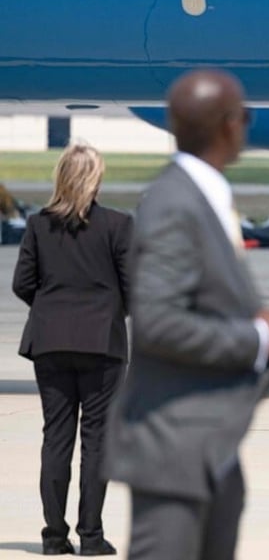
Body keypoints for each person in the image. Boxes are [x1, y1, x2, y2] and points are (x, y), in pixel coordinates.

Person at [104, 69, 269, 559]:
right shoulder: (176, 204)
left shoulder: (202, 196)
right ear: (231, 124)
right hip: (174, 445)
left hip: (208, 446)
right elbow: (157, 322)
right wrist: (258, 338)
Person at [12, 143, 131, 556]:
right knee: (96, 439)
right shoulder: (117, 224)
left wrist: (50, 312)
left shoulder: (37, 224)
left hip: (50, 342)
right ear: (96, 178)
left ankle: (54, 535)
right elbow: (133, 287)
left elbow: (22, 283)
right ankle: (92, 536)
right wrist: (110, 314)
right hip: (101, 343)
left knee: (56, 437)